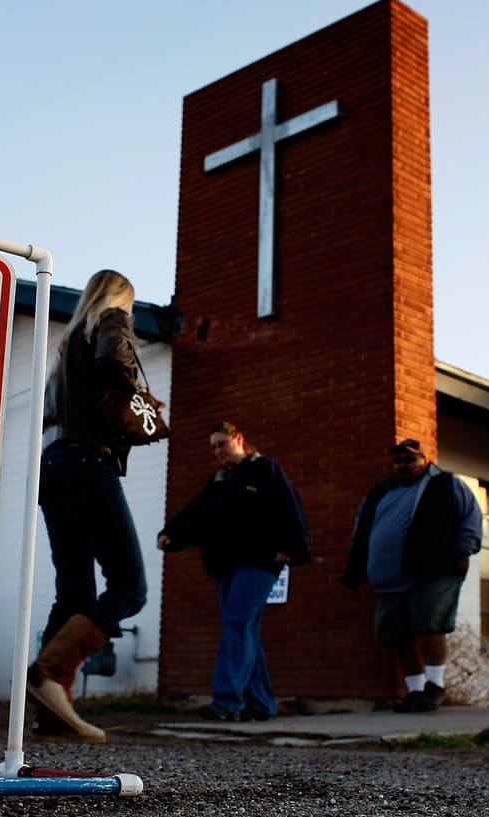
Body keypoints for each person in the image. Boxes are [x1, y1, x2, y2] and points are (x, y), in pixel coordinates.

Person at [28, 269, 163, 743]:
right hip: (88, 464)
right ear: (120, 299)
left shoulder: (65, 353)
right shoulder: (111, 320)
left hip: (53, 468)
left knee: (75, 593)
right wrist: (129, 381)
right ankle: (50, 671)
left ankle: (52, 713)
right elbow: (115, 356)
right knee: (129, 586)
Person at [158, 422, 310, 722]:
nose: (217, 451)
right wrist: (171, 534)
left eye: (222, 444)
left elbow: (290, 506)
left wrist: (290, 547)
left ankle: (227, 701)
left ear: (238, 439)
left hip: (261, 562)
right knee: (245, 629)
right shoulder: (219, 481)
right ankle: (262, 703)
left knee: (237, 623)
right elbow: (196, 514)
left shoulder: (265, 469)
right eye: (213, 447)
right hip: (228, 566)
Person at [341, 439, 482, 713]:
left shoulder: (445, 484)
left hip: (433, 569)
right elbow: (362, 530)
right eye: (398, 461)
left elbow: (470, 517)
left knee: (428, 622)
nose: (403, 466)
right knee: (395, 634)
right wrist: (357, 567)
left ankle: (435, 685)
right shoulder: (380, 492)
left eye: (409, 460)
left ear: (424, 460)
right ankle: (416, 691)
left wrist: (464, 551)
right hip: (388, 579)